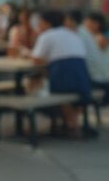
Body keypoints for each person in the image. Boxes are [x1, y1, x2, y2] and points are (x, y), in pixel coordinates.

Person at [31, 10, 95, 138]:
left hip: (64, 77)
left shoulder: (47, 35)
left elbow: (36, 59)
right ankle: (72, 123)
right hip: (82, 77)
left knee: (41, 87)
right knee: (64, 90)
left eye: (41, 23)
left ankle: (72, 125)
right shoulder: (73, 34)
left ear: (47, 23)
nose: (39, 26)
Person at [83, 12, 109, 93]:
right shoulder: (106, 37)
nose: (85, 27)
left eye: (87, 23)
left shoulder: (101, 39)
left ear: (96, 24)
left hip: (98, 81)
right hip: (107, 79)